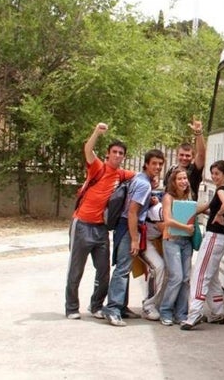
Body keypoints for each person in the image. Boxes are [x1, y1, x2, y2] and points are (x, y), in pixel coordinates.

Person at [65, 122, 135, 320]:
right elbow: (88, 149)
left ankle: (96, 305)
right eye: (115, 152)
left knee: (104, 271)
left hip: (101, 229)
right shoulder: (97, 167)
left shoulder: (122, 174)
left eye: (121, 153)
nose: (118, 155)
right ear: (108, 153)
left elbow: (141, 178)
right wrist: (96, 131)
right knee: (76, 270)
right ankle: (71, 308)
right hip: (82, 224)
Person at [102, 149, 165, 327]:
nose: (158, 167)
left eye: (160, 164)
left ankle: (121, 307)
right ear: (146, 164)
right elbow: (132, 212)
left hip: (126, 227)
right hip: (128, 226)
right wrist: (135, 238)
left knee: (125, 267)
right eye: (154, 163)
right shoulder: (144, 184)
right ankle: (113, 309)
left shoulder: (140, 179)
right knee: (122, 269)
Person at [181, 160, 224, 330]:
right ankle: (217, 313)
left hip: (213, 237)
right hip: (219, 239)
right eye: (213, 173)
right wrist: (195, 210)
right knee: (211, 278)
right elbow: (211, 207)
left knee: (200, 275)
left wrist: (218, 214)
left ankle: (194, 315)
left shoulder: (220, 191)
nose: (214, 177)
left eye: (217, 173)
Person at [159, 167, 195, 326]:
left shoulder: (189, 196)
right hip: (171, 240)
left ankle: (181, 313)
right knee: (176, 277)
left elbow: (193, 213)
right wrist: (186, 228)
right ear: (173, 182)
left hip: (186, 242)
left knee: (186, 278)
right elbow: (167, 220)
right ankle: (165, 311)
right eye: (179, 179)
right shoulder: (168, 197)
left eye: (185, 178)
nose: (183, 181)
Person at [137, 175, 166, 321]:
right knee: (158, 267)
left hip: (154, 240)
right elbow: (166, 230)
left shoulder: (158, 202)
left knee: (162, 270)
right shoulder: (158, 207)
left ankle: (158, 303)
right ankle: (149, 305)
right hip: (142, 240)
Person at [163, 117, 206, 200]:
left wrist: (198, 132)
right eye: (181, 155)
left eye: (187, 155)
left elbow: (201, 154)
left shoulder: (194, 170)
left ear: (193, 157)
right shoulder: (171, 169)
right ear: (177, 155)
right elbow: (165, 190)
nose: (184, 158)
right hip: (170, 207)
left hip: (188, 209)